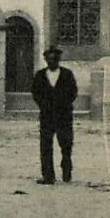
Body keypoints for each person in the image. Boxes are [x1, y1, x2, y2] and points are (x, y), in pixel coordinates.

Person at [31, 45, 78, 184]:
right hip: (47, 116)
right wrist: (43, 105)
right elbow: (35, 93)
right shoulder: (40, 76)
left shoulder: (67, 74)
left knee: (66, 144)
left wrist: (63, 104)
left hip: (64, 116)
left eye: (54, 59)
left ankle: (67, 172)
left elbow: (73, 92)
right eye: (49, 59)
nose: (52, 62)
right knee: (45, 145)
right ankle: (48, 176)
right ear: (45, 60)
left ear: (58, 60)